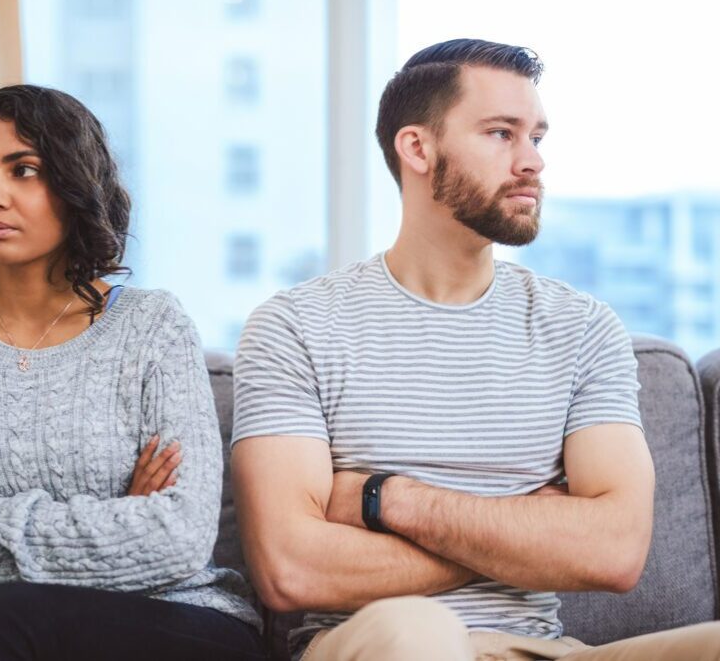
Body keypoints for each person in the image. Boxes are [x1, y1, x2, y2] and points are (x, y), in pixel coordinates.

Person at [231, 39, 720, 660]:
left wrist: (390, 500)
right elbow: (291, 569)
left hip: (546, 651)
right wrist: (524, 533)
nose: (532, 162)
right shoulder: (295, 325)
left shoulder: (584, 328)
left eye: (536, 138)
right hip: (383, 644)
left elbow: (617, 551)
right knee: (420, 633)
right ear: (417, 148)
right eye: (500, 134)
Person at [0, 84, 264, 661]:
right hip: (20, 636)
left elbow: (178, 539)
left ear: (74, 183)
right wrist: (117, 523)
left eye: (23, 170)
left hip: (181, 621)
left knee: (2, 612)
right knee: (8, 616)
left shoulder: (153, 328)